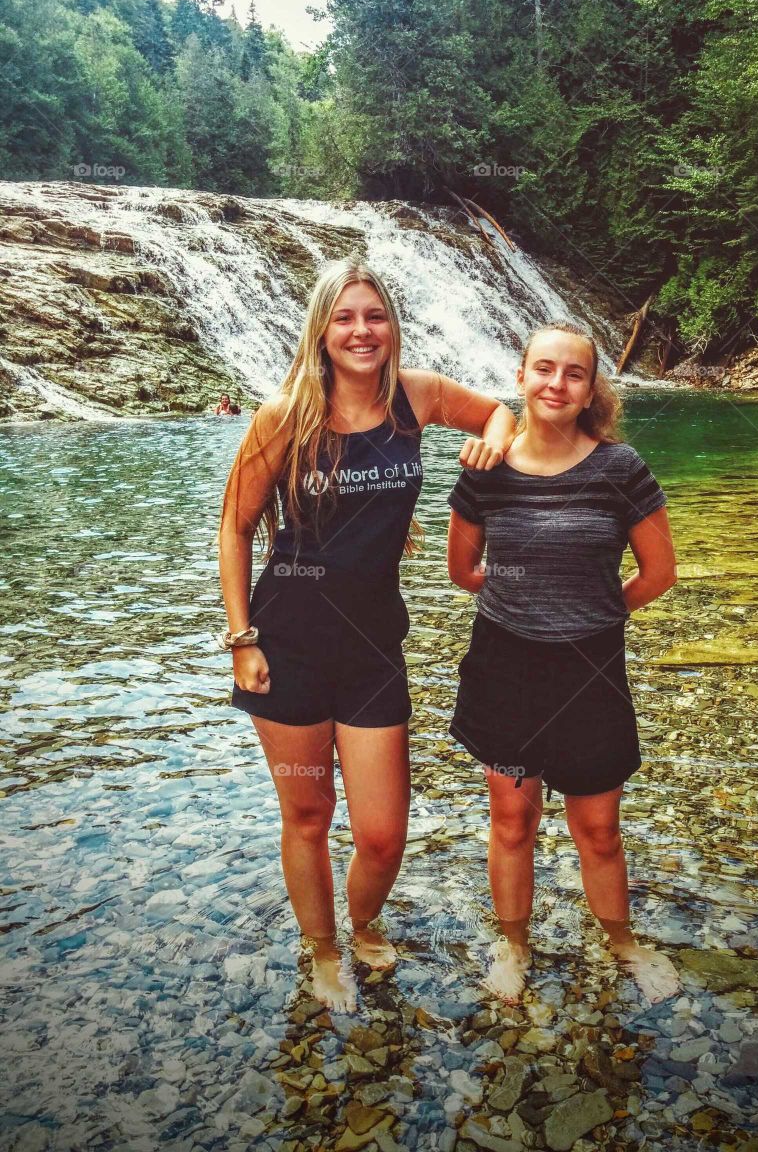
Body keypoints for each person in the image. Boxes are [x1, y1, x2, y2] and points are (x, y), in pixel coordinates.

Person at [217, 259, 516, 1012]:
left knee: (382, 835)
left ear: (391, 326)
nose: (361, 331)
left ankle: (363, 920)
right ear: (322, 328)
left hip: (377, 642)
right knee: (309, 814)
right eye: (345, 317)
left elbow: (496, 414)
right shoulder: (284, 414)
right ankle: (323, 952)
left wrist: (494, 440)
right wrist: (241, 637)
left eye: (374, 316)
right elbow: (236, 526)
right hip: (287, 639)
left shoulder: (416, 397)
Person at [446, 321, 680, 1005]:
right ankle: (513, 947)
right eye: (543, 369)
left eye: (573, 373)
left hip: (591, 670)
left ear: (589, 390)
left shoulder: (621, 469)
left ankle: (623, 944)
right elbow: (463, 571)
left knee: (599, 828)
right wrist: (525, 603)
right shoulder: (483, 469)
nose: (556, 383)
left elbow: (658, 572)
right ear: (519, 377)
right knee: (513, 821)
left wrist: (592, 613)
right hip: (504, 669)